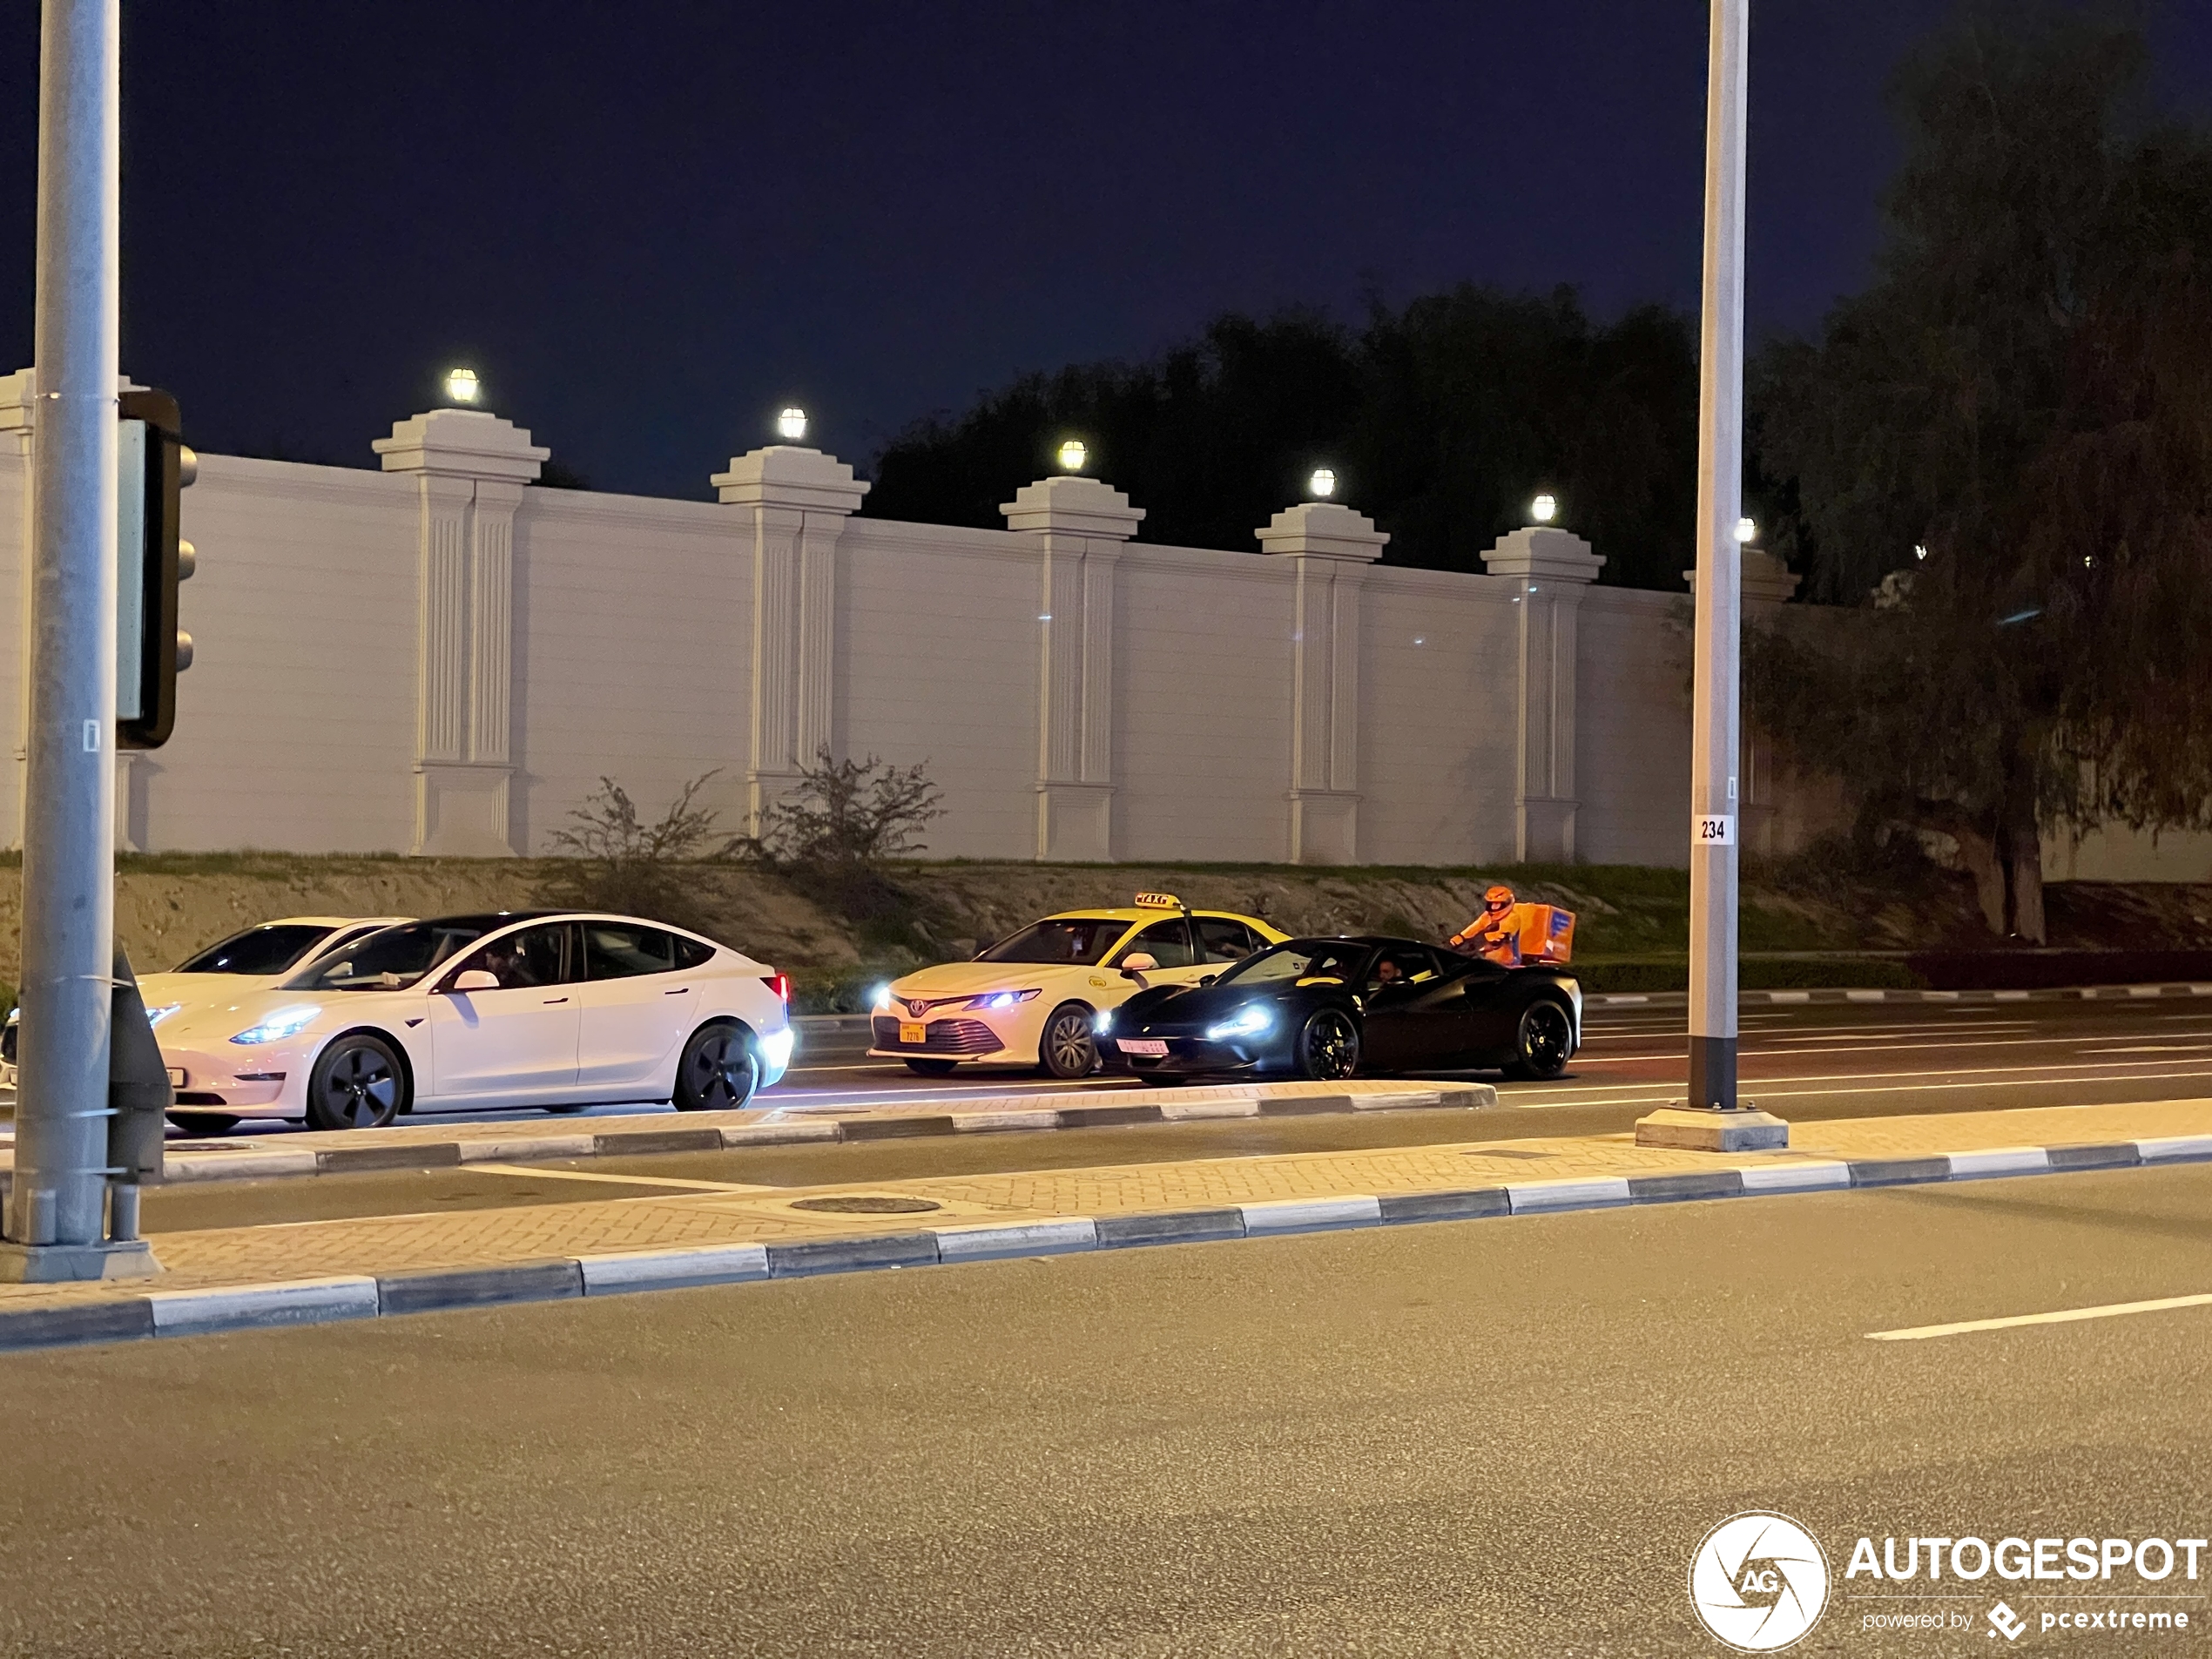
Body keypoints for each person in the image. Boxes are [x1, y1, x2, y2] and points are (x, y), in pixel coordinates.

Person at [1450, 885, 1524, 968]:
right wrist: (1461, 937)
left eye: (1497, 904)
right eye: (1492, 904)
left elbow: (1501, 934)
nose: (1494, 907)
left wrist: (1482, 942)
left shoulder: (1513, 917)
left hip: (1507, 958)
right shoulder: (1488, 915)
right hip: (1485, 955)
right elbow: (1477, 926)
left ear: (1506, 903)